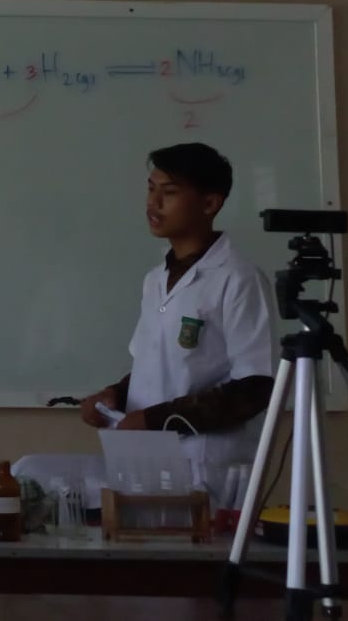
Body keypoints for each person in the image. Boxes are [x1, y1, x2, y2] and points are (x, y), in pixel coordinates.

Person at [80, 143, 277, 507]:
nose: (153, 203)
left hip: (206, 467)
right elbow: (160, 365)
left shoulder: (238, 279)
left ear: (210, 203)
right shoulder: (155, 279)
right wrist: (114, 395)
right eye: (150, 189)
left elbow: (254, 388)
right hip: (147, 460)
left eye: (169, 193)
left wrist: (155, 420)